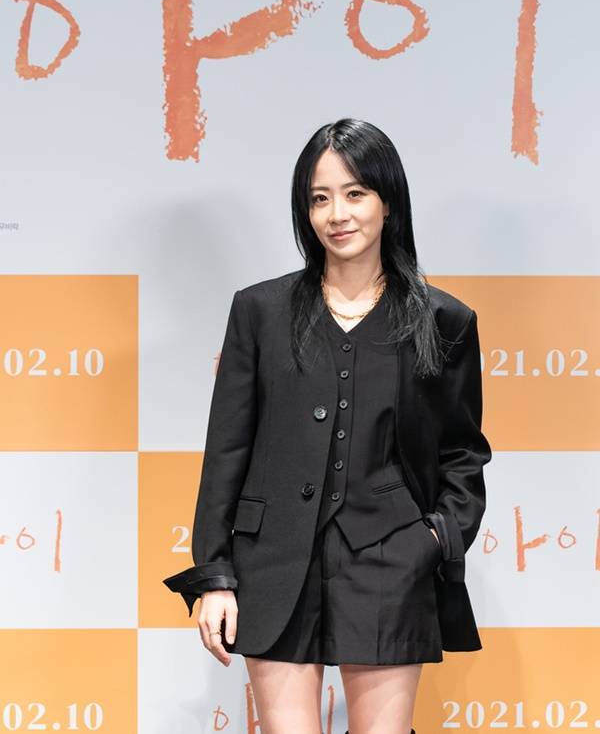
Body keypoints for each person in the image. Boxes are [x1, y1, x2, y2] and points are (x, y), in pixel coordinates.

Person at [163, 118, 493, 734]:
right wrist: (215, 576)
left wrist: (432, 540)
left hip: (391, 561)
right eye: (319, 198)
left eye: (355, 193)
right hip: (274, 561)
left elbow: (462, 453)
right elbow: (227, 449)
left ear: (387, 202)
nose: (336, 214)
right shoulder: (259, 311)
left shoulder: (444, 320)